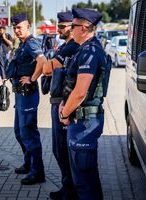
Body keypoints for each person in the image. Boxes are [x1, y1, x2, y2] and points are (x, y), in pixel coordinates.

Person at [59, 8, 107, 200]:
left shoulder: (90, 51)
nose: (71, 29)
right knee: (84, 178)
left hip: (84, 123)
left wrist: (64, 114)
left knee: (85, 182)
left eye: (74, 26)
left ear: (85, 28)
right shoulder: (85, 49)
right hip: (81, 122)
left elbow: (80, 92)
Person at [43, 11, 80, 200]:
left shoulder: (71, 47)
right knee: (59, 150)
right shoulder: (64, 46)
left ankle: (71, 191)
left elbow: (47, 68)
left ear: (73, 28)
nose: (59, 29)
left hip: (63, 104)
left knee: (63, 150)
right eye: (58, 26)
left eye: (63, 26)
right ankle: (68, 188)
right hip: (57, 102)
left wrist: (47, 64)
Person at [8, 13, 47, 185]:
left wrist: (32, 78)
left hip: (28, 94)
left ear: (28, 27)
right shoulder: (22, 44)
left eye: (19, 27)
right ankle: (28, 163)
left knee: (29, 132)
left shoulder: (31, 42)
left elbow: (42, 61)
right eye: (15, 28)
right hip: (20, 94)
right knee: (19, 131)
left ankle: (37, 172)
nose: (16, 30)